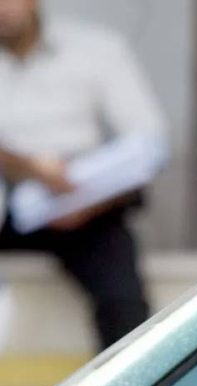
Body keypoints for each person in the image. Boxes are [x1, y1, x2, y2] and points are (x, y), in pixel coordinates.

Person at [0, 0, 169, 350]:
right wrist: (30, 169)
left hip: (87, 205)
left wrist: (86, 198)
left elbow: (149, 141)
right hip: (7, 198)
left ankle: (126, 382)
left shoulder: (96, 51)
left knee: (123, 303)